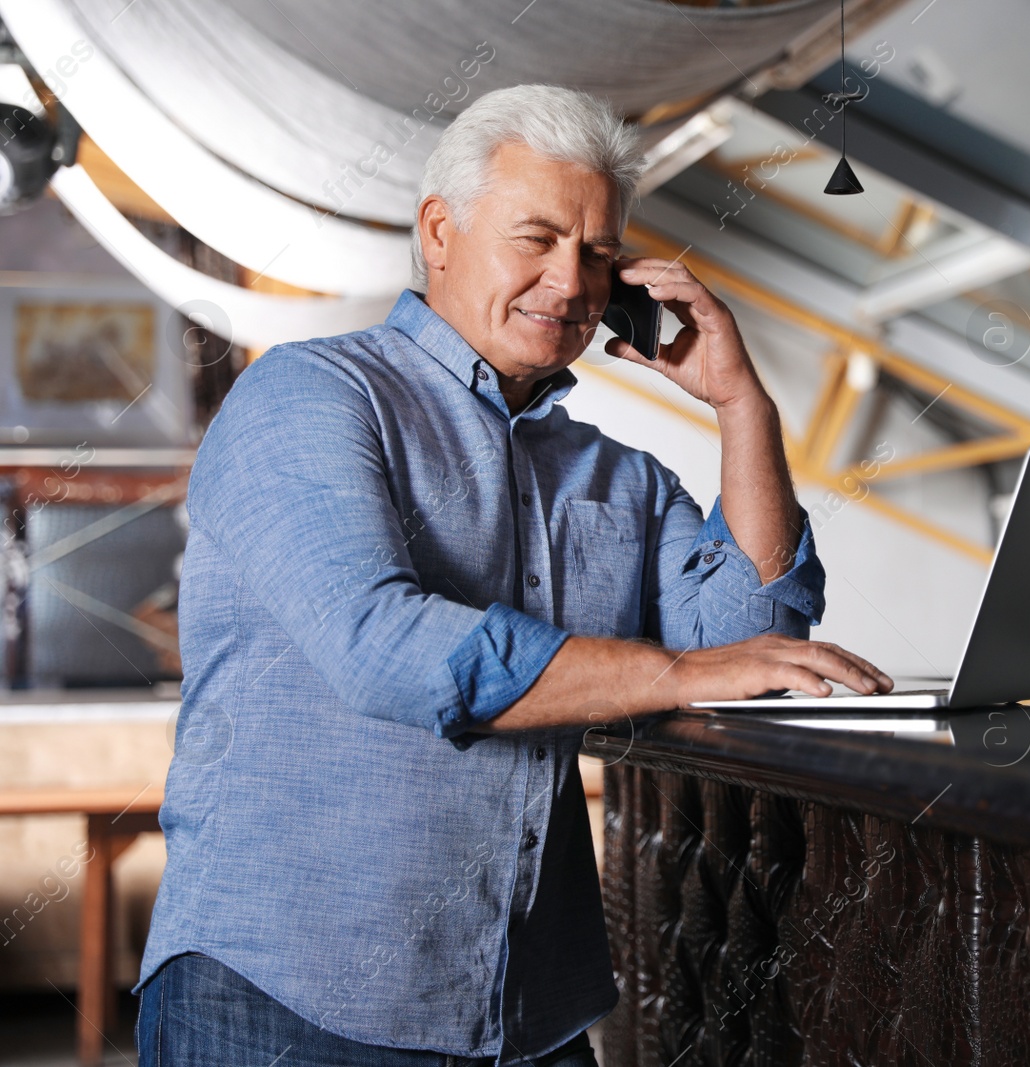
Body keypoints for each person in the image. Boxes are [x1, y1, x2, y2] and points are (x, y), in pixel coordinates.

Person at [134, 83, 891, 1067]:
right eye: (535, 238)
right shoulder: (309, 396)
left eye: (599, 254)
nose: (571, 282)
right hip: (284, 996)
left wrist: (741, 404)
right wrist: (669, 674)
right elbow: (382, 648)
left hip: (524, 1010)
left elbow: (751, 635)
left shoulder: (613, 473)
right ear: (439, 232)